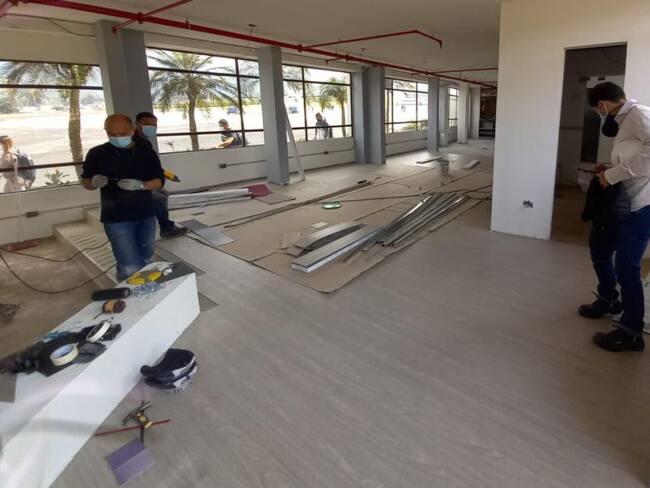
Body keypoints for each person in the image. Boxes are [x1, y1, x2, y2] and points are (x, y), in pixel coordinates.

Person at [582, 82, 650, 352]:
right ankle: (609, 299)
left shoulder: (640, 114)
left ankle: (631, 332)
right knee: (599, 250)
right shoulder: (625, 121)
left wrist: (612, 175)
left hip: (641, 204)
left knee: (626, 266)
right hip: (621, 201)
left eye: (597, 110)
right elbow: (636, 157)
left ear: (602, 105)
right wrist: (609, 168)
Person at [81, 114, 164, 281]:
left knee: (146, 257)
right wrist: (93, 182)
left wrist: (142, 185)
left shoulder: (145, 152)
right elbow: (86, 181)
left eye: (122, 134)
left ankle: (141, 284)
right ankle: (129, 282)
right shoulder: (97, 153)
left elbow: (159, 181)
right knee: (130, 266)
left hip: (145, 213)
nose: (118, 138)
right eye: (112, 134)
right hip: (116, 217)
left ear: (132, 130)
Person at [134, 111, 187, 238]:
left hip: (151, 181)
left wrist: (168, 175)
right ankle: (166, 228)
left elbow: (153, 165)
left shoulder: (145, 142)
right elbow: (140, 166)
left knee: (161, 198)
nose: (152, 127)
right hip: (146, 182)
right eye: (147, 124)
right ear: (137, 124)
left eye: (154, 125)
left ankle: (165, 226)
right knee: (159, 198)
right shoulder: (135, 143)